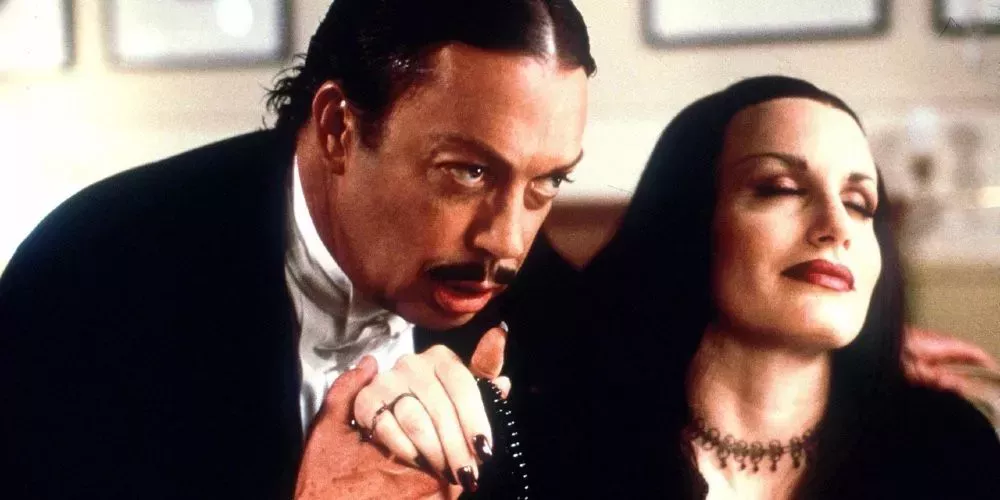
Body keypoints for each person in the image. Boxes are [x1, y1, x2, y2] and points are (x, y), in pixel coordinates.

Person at [0, 1, 595, 499]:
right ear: (337, 128)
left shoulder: (551, 307)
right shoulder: (89, 279)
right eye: (467, 171)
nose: (508, 241)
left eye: (548, 181)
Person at [567, 76, 1000, 498]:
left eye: (858, 203)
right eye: (782, 189)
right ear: (688, 220)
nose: (837, 227)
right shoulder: (572, 442)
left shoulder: (949, 450)